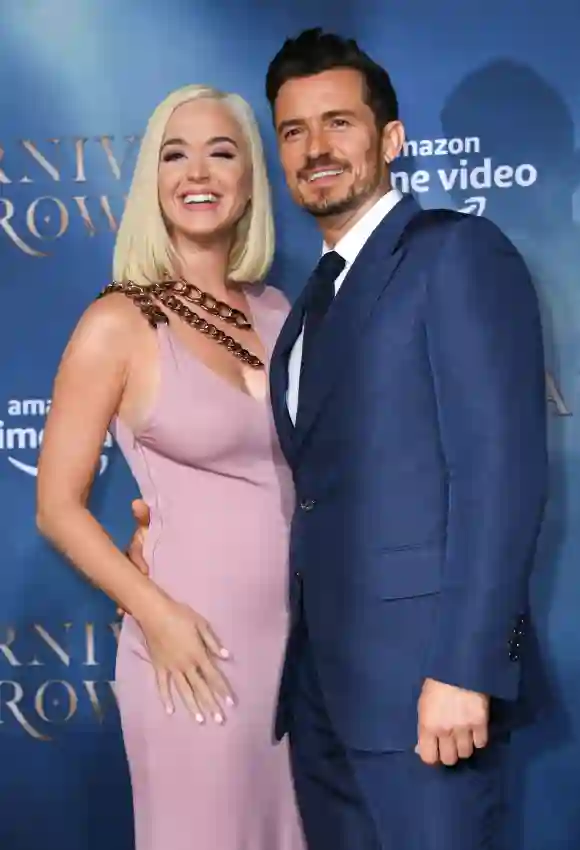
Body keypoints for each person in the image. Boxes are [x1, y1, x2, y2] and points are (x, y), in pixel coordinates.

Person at [127, 30, 548, 850]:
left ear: (390, 139)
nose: (316, 149)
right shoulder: (301, 307)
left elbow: (500, 474)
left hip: (427, 689)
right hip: (317, 694)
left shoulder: (455, 255)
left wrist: (468, 666)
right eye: (293, 131)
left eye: (339, 123)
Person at [36, 84, 304, 850]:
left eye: (223, 153)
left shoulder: (281, 312)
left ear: (250, 178)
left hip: (298, 653)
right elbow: (58, 505)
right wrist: (156, 614)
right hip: (193, 651)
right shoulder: (117, 323)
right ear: (151, 182)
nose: (200, 172)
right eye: (175, 154)